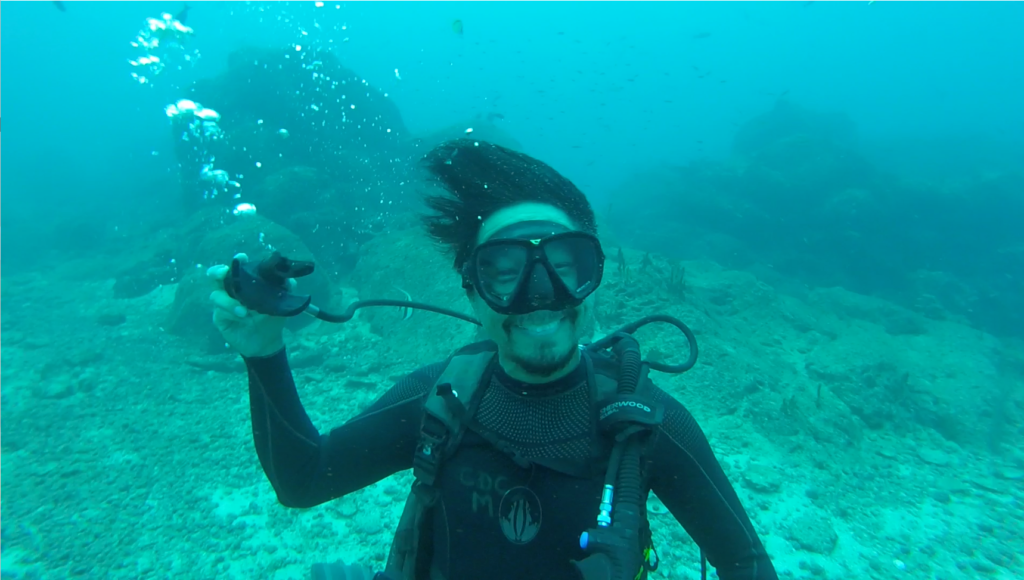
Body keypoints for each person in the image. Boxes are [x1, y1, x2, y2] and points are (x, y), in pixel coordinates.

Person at [208, 140, 778, 580]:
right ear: (472, 292)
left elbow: (748, 566)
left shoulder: (646, 424)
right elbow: (302, 479)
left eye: (565, 264)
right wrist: (263, 353)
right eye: (505, 272)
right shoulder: (438, 399)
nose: (541, 293)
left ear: (596, 280)